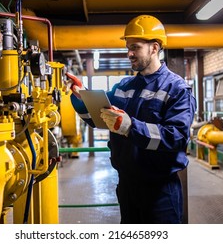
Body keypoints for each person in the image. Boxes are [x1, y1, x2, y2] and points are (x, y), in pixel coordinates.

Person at [66, 15, 196, 224]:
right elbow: (100, 117)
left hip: (160, 191)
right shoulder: (125, 86)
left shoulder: (177, 88)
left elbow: (177, 137)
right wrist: (81, 97)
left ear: (154, 48)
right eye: (128, 47)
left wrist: (130, 127)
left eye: (135, 47)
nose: (129, 54)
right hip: (127, 186)